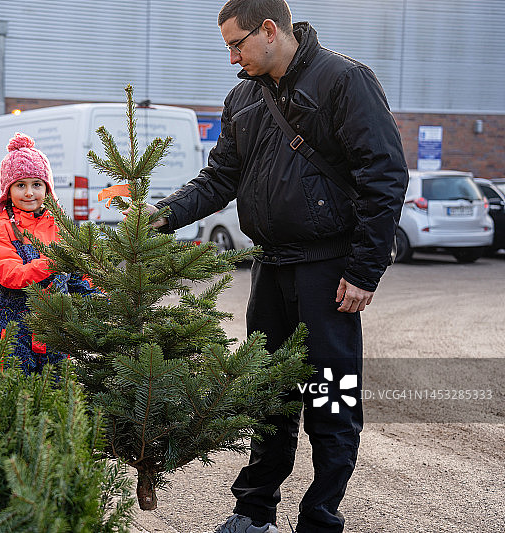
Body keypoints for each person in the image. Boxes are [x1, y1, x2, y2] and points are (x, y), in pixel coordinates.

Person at [141, 1, 407, 531]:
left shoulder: (344, 80)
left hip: (328, 272)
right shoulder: (243, 97)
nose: (232, 58)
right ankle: (253, 512)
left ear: (269, 30)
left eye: (237, 45)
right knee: (266, 397)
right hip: (270, 269)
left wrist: (363, 272)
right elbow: (220, 179)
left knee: (333, 399)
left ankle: (319, 519)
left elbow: (384, 175)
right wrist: (159, 215)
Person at [0, 132, 97, 375]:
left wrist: (100, 294)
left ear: (47, 188)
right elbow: (9, 274)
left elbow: (74, 275)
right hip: (15, 328)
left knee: (55, 388)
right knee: (14, 389)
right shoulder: (2, 226)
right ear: (8, 190)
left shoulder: (57, 224)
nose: (29, 193)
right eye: (20, 185)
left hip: (56, 329)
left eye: (37, 184)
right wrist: (51, 263)